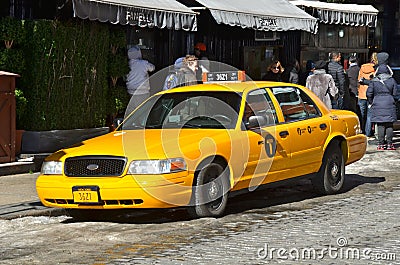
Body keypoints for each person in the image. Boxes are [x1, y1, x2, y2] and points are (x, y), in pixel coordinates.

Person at [367, 54, 398, 151]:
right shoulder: (392, 80)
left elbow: (369, 93)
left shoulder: (374, 81)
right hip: (389, 102)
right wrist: (393, 101)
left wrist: (371, 102)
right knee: (389, 124)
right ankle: (389, 144)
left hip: (377, 103)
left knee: (380, 124)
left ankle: (381, 144)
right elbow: (396, 94)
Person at [126, 45, 155, 111]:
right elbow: (152, 68)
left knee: (133, 111)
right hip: (143, 91)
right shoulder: (143, 63)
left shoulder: (128, 64)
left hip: (131, 91)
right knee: (143, 111)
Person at [358, 52, 378, 137]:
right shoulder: (376, 70)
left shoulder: (362, 67)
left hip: (361, 94)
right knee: (370, 115)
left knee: (362, 114)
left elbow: (359, 80)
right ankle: (368, 133)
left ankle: (361, 131)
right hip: (371, 95)